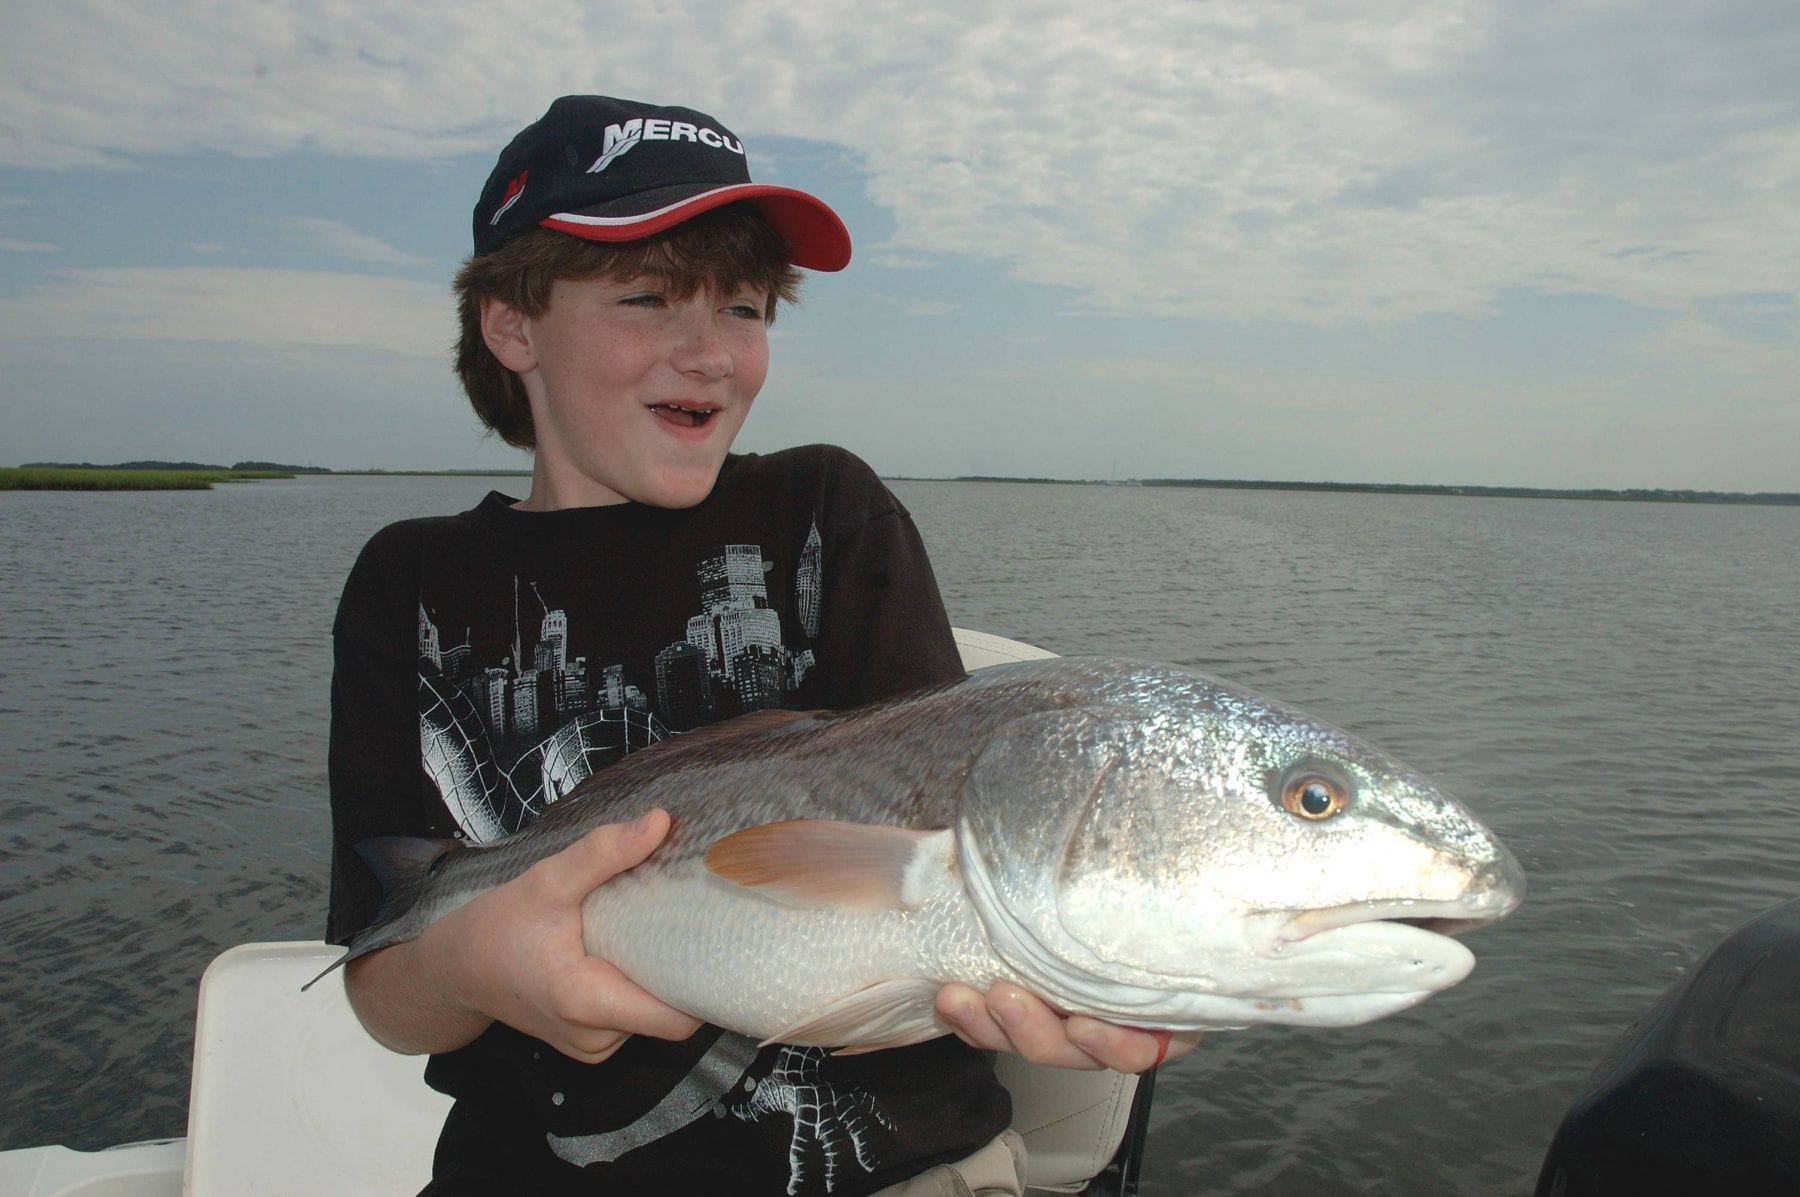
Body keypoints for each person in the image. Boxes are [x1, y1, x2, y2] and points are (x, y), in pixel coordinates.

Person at [326, 94, 1191, 1196]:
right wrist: (467, 960)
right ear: (512, 325)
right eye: (646, 298)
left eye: (744, 308)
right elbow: (382, 991)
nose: (709, 354)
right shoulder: (411, 580)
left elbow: (944, 845)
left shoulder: (824, 512)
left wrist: (1073, 968)